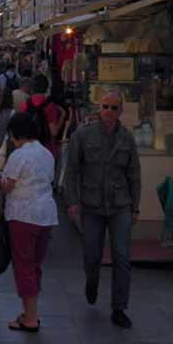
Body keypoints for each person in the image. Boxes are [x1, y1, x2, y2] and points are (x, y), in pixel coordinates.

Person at [65, 92, 141, 329]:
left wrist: (135, 207)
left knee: (121, 256)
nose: (108, 111)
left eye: (113, 108)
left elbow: (134, 175)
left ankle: (119, 307)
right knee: (92, 254)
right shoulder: (83, 135)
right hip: (92, 204)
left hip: (120, 205)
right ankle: (92, 281)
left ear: (120, 112)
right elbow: (71, 171)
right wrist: (72, 201)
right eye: (105, 107)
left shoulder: (127, 139)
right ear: (99, 109)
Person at [0, 112, 58, 333]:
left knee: (24, 266)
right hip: (46, 214)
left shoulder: (19, 156)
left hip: (23, 215)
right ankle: (30, 311)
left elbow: (7, 185)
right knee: (35, 265)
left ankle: (30, 317)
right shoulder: (47, 153)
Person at [20, 74, 65, 159]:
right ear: (47, 88)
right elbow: (54, 132)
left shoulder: (25, 104)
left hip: (29, 149)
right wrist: (63, 116)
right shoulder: (50, 106)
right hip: (47, 150)